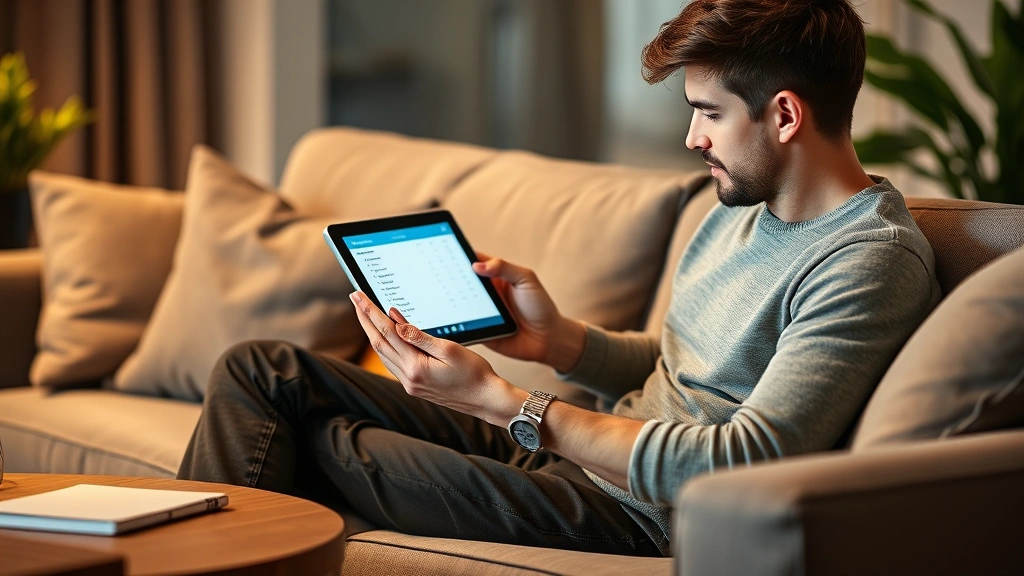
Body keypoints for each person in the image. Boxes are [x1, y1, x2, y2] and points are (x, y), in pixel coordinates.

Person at [177, 0, 940, 557]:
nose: (690, 137)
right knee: (259, 371)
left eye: (708, 113)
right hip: (577, 454)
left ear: (783, 115)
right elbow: (682, 363)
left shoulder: (869, 260)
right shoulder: (745, 207)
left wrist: (504, 402)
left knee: (323, 443)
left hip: (642, 510)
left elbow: (746, 459)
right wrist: (560, 342)